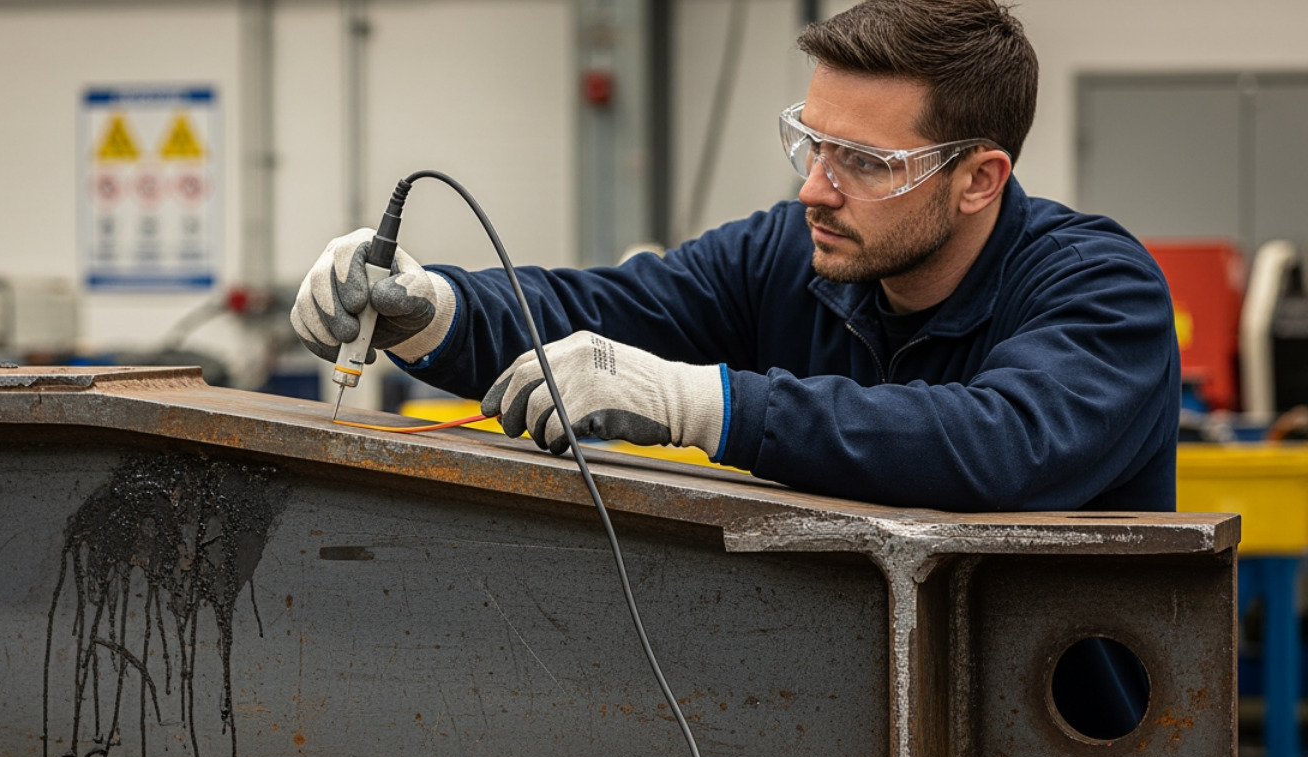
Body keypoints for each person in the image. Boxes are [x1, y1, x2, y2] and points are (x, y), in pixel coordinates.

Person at [290, 0, 1178, 517]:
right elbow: (608, 315)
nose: (815, 191)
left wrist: (704, 403)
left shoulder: (1102, 291)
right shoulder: (785, 256)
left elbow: (999, 444)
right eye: (812, 145)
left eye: (863, 162)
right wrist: (434, 309)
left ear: (979, 178)